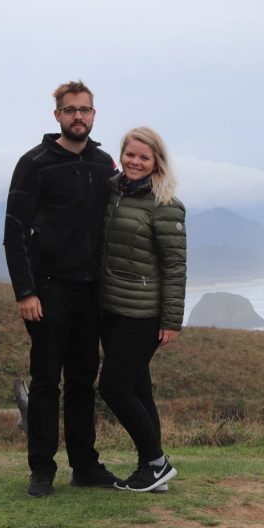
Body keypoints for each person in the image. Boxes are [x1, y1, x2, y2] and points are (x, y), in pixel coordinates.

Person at [4, 81, 124, 497]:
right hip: (49, 291)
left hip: (92, 292)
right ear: (56, 115)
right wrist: (26, 291)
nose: (79, 117)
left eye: (85, 110)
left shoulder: (104, 163)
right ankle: (41, 469)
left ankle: (85, 466)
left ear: (94, 115)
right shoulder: (34, 163)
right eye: (70, 110)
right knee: (44, 382)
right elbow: (14, 232)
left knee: (81, 382)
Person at [98, 127, 186, 492]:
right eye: (130, 154)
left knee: (114, 388)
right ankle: (150, 469)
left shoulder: (166, 205)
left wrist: (171, 321)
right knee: (139, 390)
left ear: (156, 163)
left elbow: (175, 266)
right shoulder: (112, 191)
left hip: (143, 314)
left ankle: (158, 463)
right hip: (111, 309)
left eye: (143, 157)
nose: (135, 162)